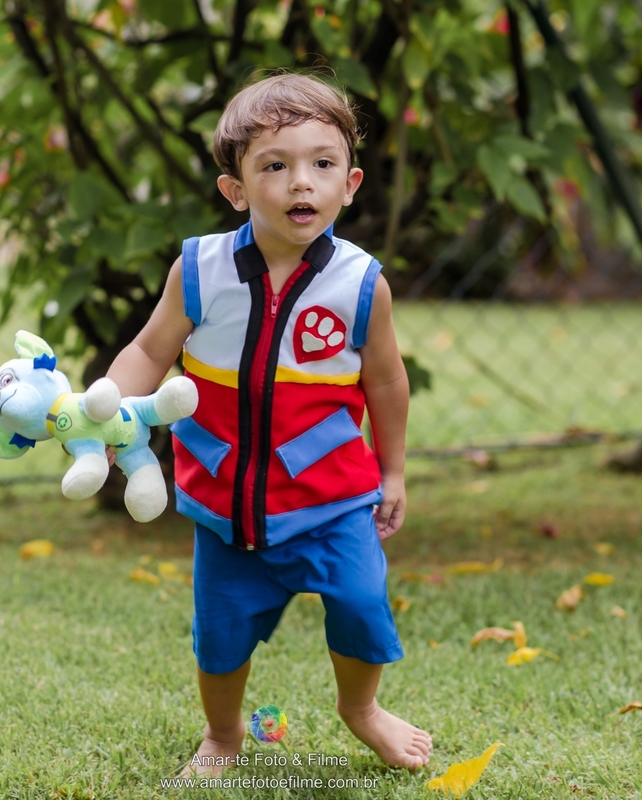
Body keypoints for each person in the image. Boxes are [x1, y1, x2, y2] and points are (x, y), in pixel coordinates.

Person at [105, 72, 431, 772]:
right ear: (236, 189)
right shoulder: (200, 269)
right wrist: (104, 408)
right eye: (275, 166)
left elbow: (386, 381)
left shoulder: (361, 283)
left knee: (361, 601)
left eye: (322, 164)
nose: (300, 184)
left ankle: (362, 708)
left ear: (351, 182)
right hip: (227, 500)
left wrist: (394, 470)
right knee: (219, 636)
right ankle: (223, 734)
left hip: (332, 493)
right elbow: (148, 351)